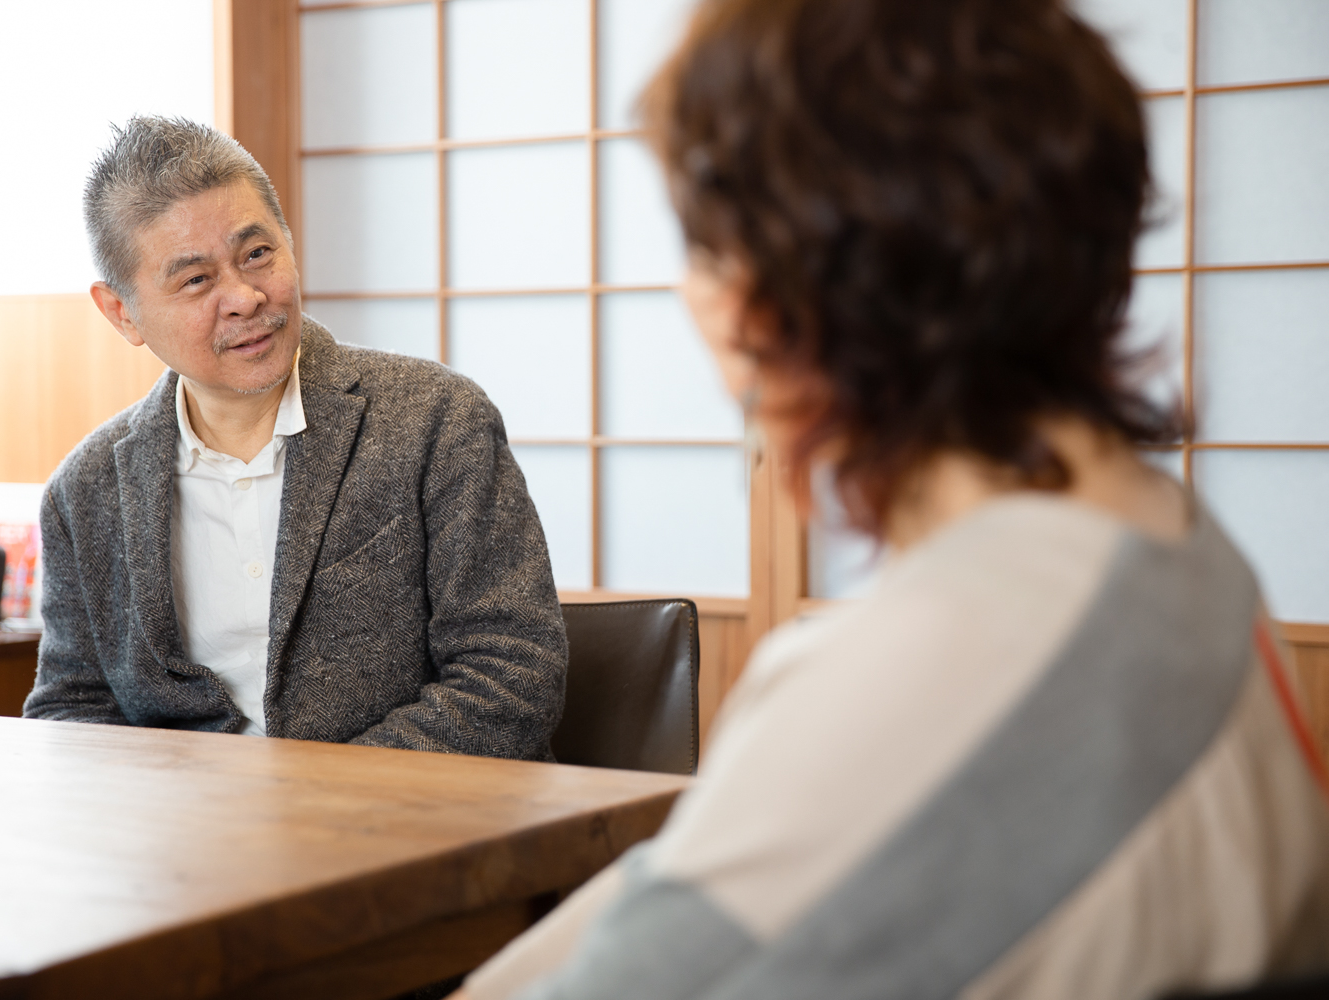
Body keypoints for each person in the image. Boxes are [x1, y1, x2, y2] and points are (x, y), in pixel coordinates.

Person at [458, 0, 1329, 997]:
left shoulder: (928, 664)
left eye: (708, 250)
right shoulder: (1175, 540)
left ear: (803, 290)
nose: (695, 300)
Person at [24, 117, 566, 757]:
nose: (246, 298)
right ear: (122, 313)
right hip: (190, 843)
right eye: (196, 280)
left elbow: (511, 675)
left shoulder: (436, 420)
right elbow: (70, 709)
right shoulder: (84, 493)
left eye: (258, 254)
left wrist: (304, 802)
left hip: (413, 829)